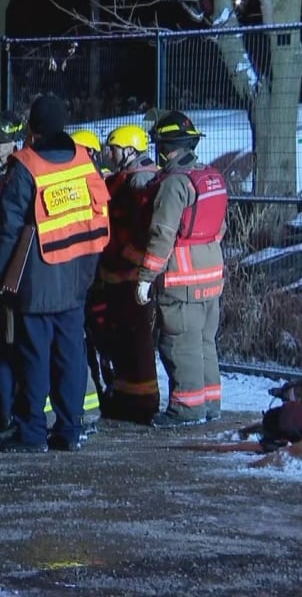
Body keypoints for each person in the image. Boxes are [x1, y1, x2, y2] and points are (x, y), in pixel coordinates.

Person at [0, 93, 110, 452]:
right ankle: (70, 430)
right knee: (71, 355)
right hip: (77, 276)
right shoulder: (85, 161)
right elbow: (98, 214)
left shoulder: (26, 166)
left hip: (37, 280)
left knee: (33, 358)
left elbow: (8, 228)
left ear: (33, 128)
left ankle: (33, 432)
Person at [135, 111, 228, 428]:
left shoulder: (174, 184)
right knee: (204, 342)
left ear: (165, 147)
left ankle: (187, 409)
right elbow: (220, 227)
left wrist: (145, 278)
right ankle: (210, 404)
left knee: (178, 344)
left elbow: (162, 233)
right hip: (211, 275)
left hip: (181, 279)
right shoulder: (210, 177)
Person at [92, 124, 160, 423]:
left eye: (114, 148)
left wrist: (125, 260)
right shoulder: (123, 179)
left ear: (130, 150)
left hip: (130, 276)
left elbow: (142, 231)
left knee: (137, 341)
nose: (110, 153)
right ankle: (127, 396)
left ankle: (143, 401)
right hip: (118, 273)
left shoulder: (139, 181)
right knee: (123, 340)